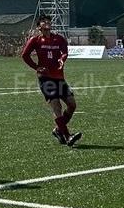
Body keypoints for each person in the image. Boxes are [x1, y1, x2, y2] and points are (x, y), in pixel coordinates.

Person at [21, 13, 82, 146]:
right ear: (39, 27)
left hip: (59, 77)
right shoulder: (35, 40)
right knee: (57, 106)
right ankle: (67, 136)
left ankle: (58, 130)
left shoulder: (59, 39)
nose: (47, 22)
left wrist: (62, 59)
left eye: (48, 20)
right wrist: (36, 67)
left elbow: (65, 52)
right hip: (45, 79)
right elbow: (25, 55)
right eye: (43, 21)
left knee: (72, 104)